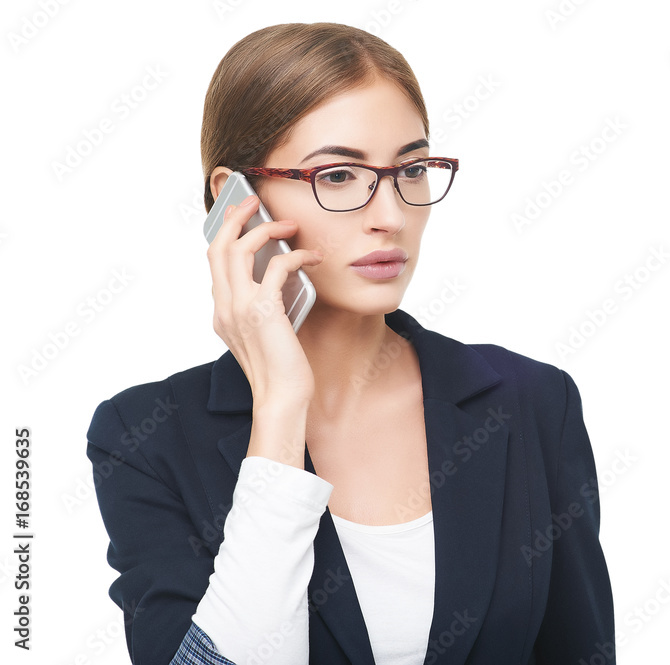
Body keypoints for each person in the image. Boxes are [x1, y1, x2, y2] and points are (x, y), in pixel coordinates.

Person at [86, 22, 615, 664]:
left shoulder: (533, 403)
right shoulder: (145, 436)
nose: (390, 214)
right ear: (236, 203)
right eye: (338, 175)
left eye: (412, 169)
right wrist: (279, 411)